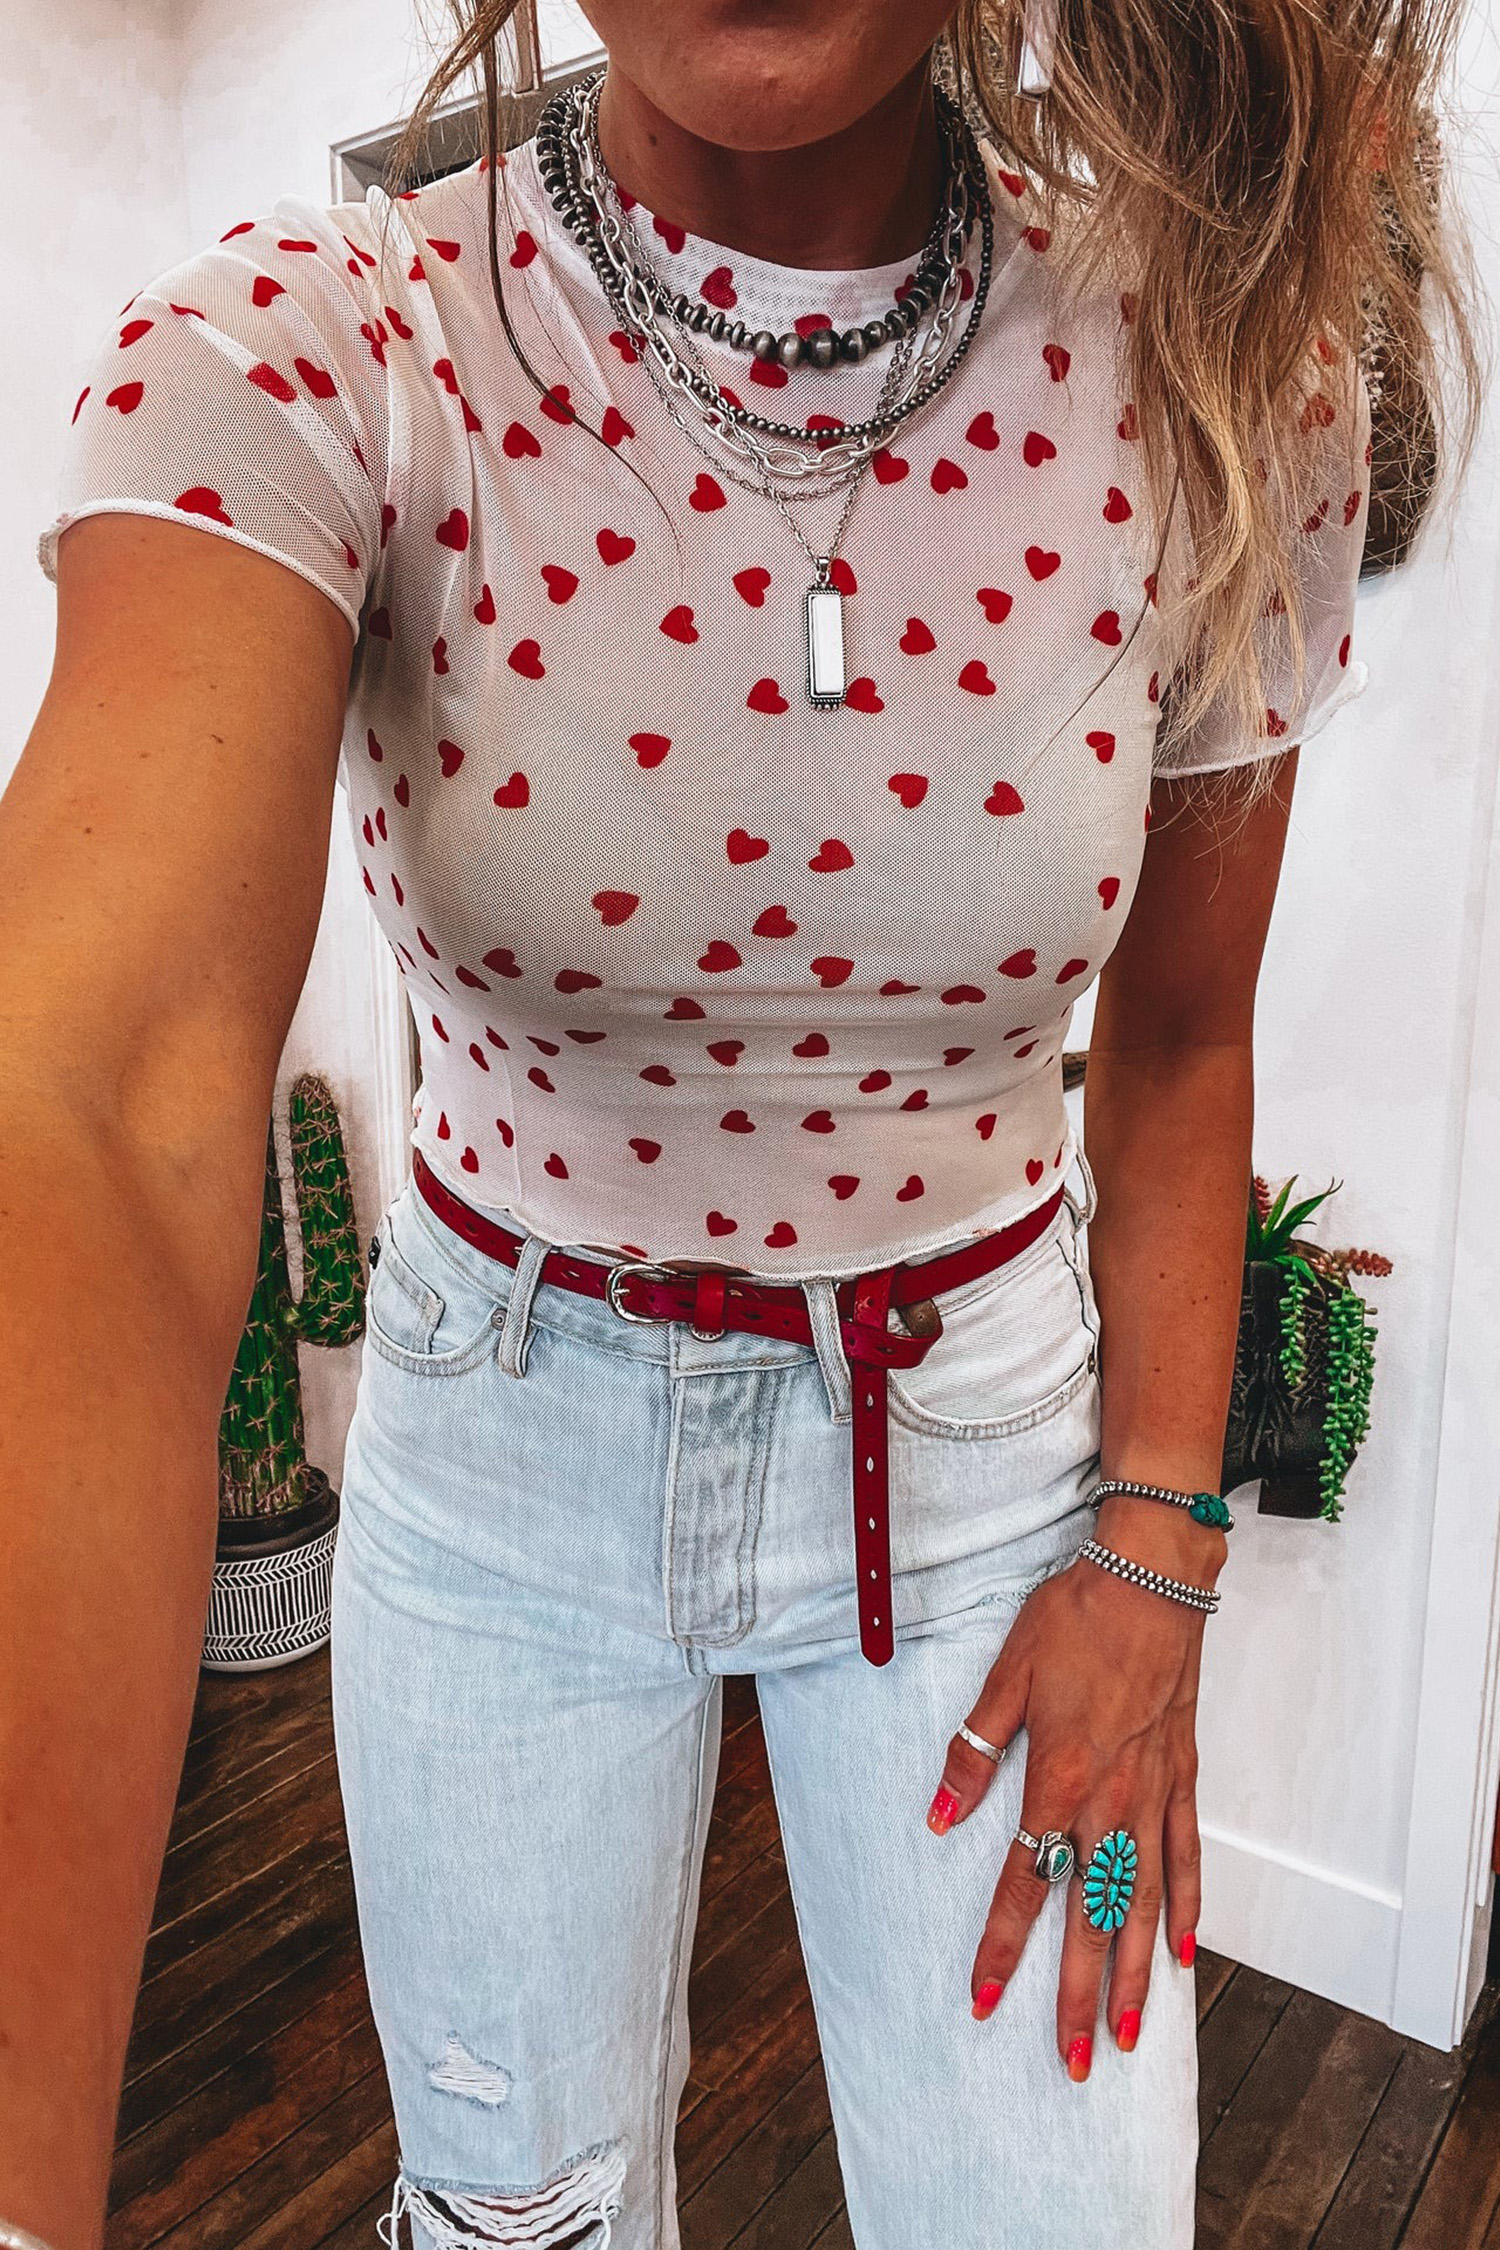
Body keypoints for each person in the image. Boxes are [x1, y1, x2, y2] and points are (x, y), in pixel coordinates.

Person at [0, 2, 1478, 2247]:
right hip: (501, 1454)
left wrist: (1160, 1555)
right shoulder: (325, 348)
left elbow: (1182, 1047)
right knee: (520, 2216)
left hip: (982, 1460)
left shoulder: (1216, 393)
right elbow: (91, 1099)